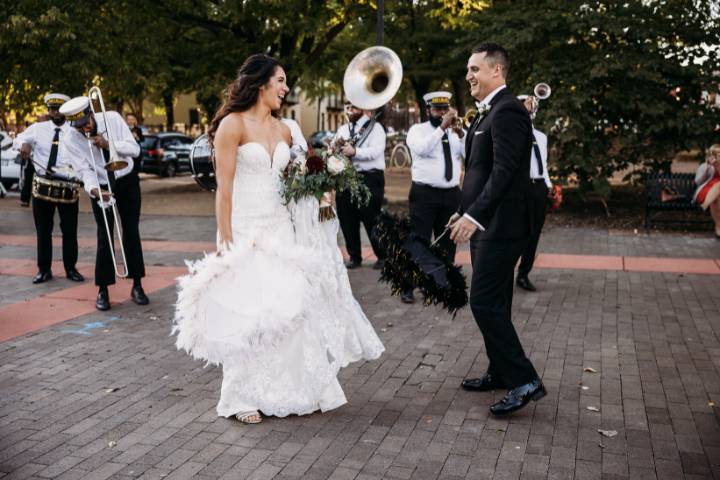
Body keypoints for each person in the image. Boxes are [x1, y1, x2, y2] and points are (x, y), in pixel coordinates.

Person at [173, 54, 383, 424]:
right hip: (245, 229)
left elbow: (295, 181)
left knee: (291, 307)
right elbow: (223, 188)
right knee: (251, 314)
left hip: (281, 230)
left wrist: (322, 188)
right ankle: (240, 397)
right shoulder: (231, 126)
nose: (286, 89)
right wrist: (225, 237)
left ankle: (298, 387)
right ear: (260, 83)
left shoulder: (286, 129)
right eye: (281, 81)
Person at [448, 42, 545, 415]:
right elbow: (477, 171)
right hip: (484, 222)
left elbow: (505, 171)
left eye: (475, 69)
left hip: (502, 225)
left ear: (496, 71)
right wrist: (462, 211)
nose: (469, 76)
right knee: (497, 302)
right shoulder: (485, 114)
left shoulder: (508, 112)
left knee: (483, 302)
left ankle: (524, 379)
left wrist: (476, 217)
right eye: (468, 70)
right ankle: (500, 370)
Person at [60, 96, 149, 311]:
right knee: (105, 236)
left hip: (126, 179)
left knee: (130, 232)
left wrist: (109, 144)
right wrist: (95, 190)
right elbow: (83, 170)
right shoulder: (71, 137)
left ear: (91, 114)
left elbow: (134, 150)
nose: (85, 129)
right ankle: (103, 289)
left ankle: (137, 284)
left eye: (86, 123)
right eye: (79, 127)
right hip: (100, 184)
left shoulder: (113, 119)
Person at [13, 93, 84, 284]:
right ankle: (44, 270)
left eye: (58, 109)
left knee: (69, 230)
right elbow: (17, 140)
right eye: (51, 109)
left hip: (68, 185)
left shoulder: (76, 130)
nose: (54, 112)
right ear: (48, 110)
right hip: (43, 186)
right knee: (43, 230)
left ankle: (71, 268)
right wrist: (24, 145)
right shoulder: (38, 128)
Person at [401, 91, 465, 304]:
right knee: (419, 240)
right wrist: (441, 129)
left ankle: (442, 283)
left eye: (445, 109)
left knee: (448, 243)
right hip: (424, 194)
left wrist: (462, 134)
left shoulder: (455, 132)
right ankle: (407, 286)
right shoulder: (417, 131)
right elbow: (422, 149)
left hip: (452, 194)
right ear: (428, 110)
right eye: (437, 109)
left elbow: (470, 154)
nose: (442, 113)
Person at [332, 101, 387, 270]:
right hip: (346, 178)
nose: (349, 110)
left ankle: (383, 255)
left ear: (362, 108)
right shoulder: (343, 129)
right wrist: (335, 146)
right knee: (347, 218)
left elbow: (377, 151)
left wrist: (355, 152)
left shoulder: (375, 128)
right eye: (347, 107)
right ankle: (354, 256)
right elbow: (333, 148)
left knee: (371, 218)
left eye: (353, 107)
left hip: (369, 178)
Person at [515, 95, 552, 292]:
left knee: (534, 232)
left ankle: (523, 274)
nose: (527, 112)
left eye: (529, 109)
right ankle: (503, 273)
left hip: (538, 187)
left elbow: (542, 165)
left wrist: (548, 185)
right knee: (516, 231)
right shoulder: (513, 134)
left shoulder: (541, 137)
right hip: (519, 187)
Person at [693, 144, 720, 238]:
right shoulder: (705, 166)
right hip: (707, 192)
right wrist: (707, 169)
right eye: (716, 154)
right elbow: (697, 182)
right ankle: (718, 226)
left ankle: (718, 227)